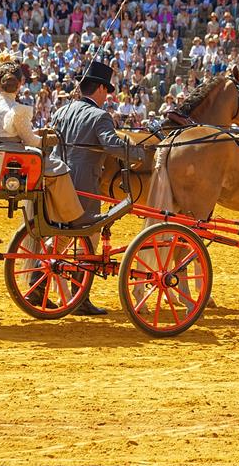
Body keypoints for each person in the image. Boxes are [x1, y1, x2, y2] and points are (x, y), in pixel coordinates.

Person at [50, 60, 145, 315]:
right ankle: (79, 299)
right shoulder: (99, 116)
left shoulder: (62, 111)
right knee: (87, 240)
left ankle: (46, 286)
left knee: (60, 233)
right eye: (108, 92)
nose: (108, 98)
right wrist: (140, 153)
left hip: (58, 181)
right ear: (101, 89)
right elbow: (113, 145)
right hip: (83, 185)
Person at [0, 52, 85, 226]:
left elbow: (9, 132)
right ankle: (71, 214)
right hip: (13, 158)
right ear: (21, 84)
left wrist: (36, 132)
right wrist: (49, 140)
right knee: (58, 165)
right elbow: (31, 142)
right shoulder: (18, 110)